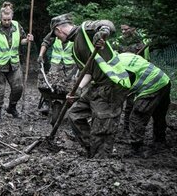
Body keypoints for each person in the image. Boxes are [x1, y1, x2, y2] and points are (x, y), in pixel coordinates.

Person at [50, 14, 131, 158]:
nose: (56, 38)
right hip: (97, 85)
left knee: (102, 126)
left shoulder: (85, 29)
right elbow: (87, 72)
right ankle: (92, 149)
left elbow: (107, 22)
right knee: (75, 114)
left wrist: (102, 32)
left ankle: (101, 160)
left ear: (58, 30)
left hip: (111, 84)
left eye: (55, 34)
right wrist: (76, 90)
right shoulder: (74, 48)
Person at [0, 7, 33, 123]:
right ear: (1, 18)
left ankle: (12, 107)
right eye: (4, 20)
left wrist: (27, 40)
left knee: (18, 88)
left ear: (12, 18)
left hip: (14, 63)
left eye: (9, 19)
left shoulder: (16, 25)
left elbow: (21, 40)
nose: (7, 22)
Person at [118, 53, 171, 151]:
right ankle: (160, 141)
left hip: (151, 85)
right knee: (159, 114)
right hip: (164, 80)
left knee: (138, 115)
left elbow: (126, 89)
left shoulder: (118, 68)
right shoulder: (125, 55)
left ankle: (136, 146)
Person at [37, 15, 78, 126]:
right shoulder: (54, 34)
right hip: (56, 63)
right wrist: (41, 55)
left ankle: (70, 107)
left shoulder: (76, 35)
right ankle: (47, 102)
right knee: (49, 84)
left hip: (71, 65)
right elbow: (45, 42)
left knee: (69, 86)